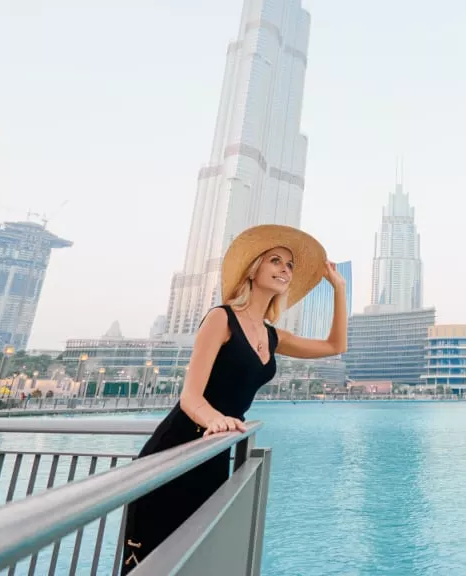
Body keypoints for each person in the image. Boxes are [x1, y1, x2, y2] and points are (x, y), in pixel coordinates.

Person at [121, 224, 347, 573]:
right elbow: (190, 397)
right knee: (148, 564)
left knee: (193, 560)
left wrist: (340, 288)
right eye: (276, 260)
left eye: (290, 265)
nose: (285, 269)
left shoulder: (273, 336)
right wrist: (215, 419)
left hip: (213, 454)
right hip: (175, 450)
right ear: (254, 269)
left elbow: (335, 346)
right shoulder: (221, 318)